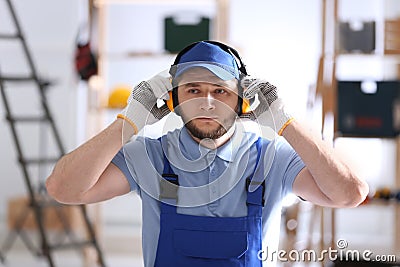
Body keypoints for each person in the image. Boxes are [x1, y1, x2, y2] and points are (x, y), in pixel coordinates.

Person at [46, 40, 369, 266]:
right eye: (193, 90)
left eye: (221, 91)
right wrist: (130, 120)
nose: (208, 102)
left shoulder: (273, 159)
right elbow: (64, 190)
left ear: (242, 102)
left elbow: (349, 194)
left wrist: (285, 121)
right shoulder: (149, 156)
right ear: (173, 101)